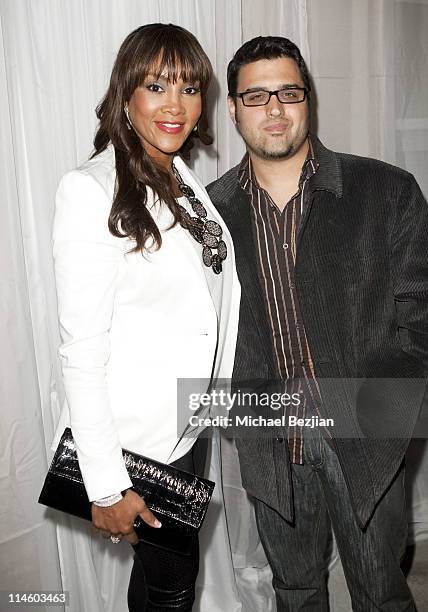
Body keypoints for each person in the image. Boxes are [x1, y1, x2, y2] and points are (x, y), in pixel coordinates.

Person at [207, 35, 428, 611]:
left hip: (364, 438)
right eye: (255, 96)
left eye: (288, 92)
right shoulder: (207, 214)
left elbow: (423, 322)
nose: (274, 109)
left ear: (309, 100)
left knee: (381, 594)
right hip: (269, 440)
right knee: (296, 591)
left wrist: (378, 412)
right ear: (232, 109)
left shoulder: (385, 190)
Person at [51, 23, 240, 612]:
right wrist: (106, 484)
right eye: (157, 86)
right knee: (172, 588)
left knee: (168, 579)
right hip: (137, 444)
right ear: (126, 94)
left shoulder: (180, 177)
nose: (176, 105)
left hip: (188, 423)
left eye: (189, 88)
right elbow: (81, 351)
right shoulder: (89, 191)